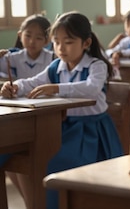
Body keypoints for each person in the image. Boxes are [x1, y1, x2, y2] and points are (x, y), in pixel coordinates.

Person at [1, 12, 123, 208]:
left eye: (68, 42)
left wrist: (57, 88)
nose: (60, 48)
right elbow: (33, 82)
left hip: (91, 133)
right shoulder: (56, 66)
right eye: (56, 42)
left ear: (86, 43)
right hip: (62, 128)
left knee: (54, 163)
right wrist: (15, 87)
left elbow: (91, 89)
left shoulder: (96, 65)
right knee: (16, 151)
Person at [0, 14, 54, 79]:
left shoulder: (52, 58)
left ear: (46, 41)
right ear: (20, 35)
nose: (32, 42)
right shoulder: (14, 58)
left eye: (38, 38)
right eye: (28, 36)